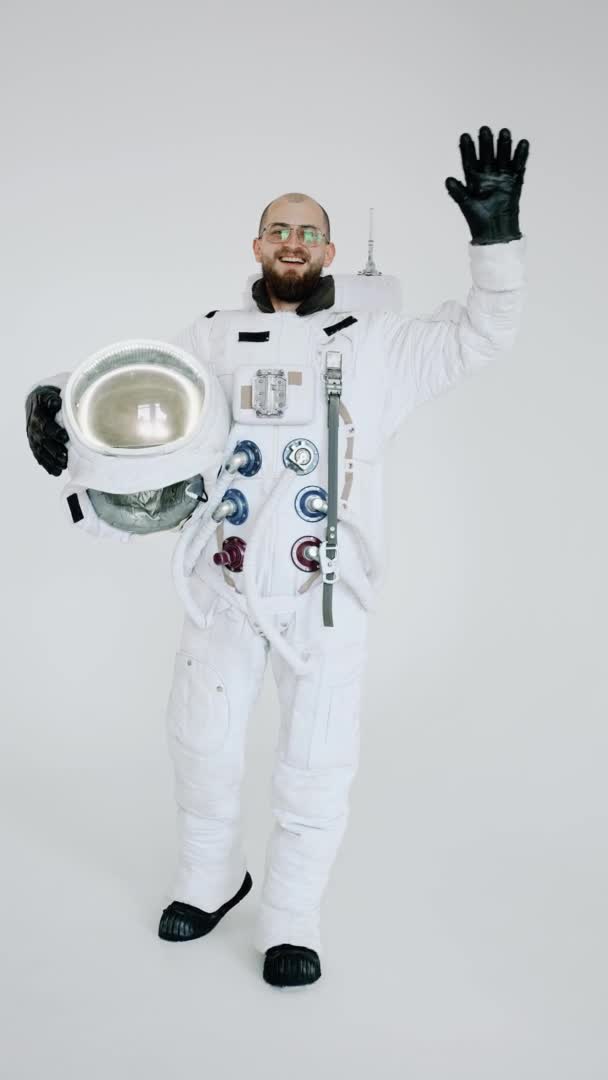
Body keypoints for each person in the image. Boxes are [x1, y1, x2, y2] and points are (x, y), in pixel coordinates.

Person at [25, 126, 530, 989]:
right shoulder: (212, 335)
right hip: (223, 581)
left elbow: (483, 337)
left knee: (316, 755)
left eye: (307, 233)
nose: (291, 244)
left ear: (329, 250)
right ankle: (210, 879)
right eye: (277, 231)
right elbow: (149, 412)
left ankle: (292, 916)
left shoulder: (376, 343)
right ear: (256, 246)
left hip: (324, 589)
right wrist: (67, 426)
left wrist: (496, 242)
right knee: (203, 740)